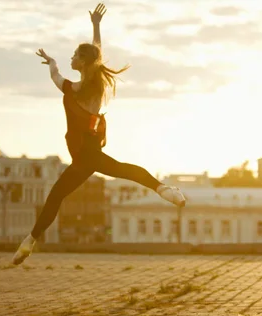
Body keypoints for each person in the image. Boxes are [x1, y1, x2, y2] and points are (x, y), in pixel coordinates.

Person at [12, 3, 186, 265]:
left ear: (82, 61)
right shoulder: (81, 87)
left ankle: (29, 241)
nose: (72, 57)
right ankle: (164, 191)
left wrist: (91, 31)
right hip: (85, 155)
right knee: (116, 172)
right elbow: (65, 70)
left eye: (74, 55)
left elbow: (77, 65)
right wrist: (55, 60)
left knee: (69, 191)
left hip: (87, 153)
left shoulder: (86, 86)